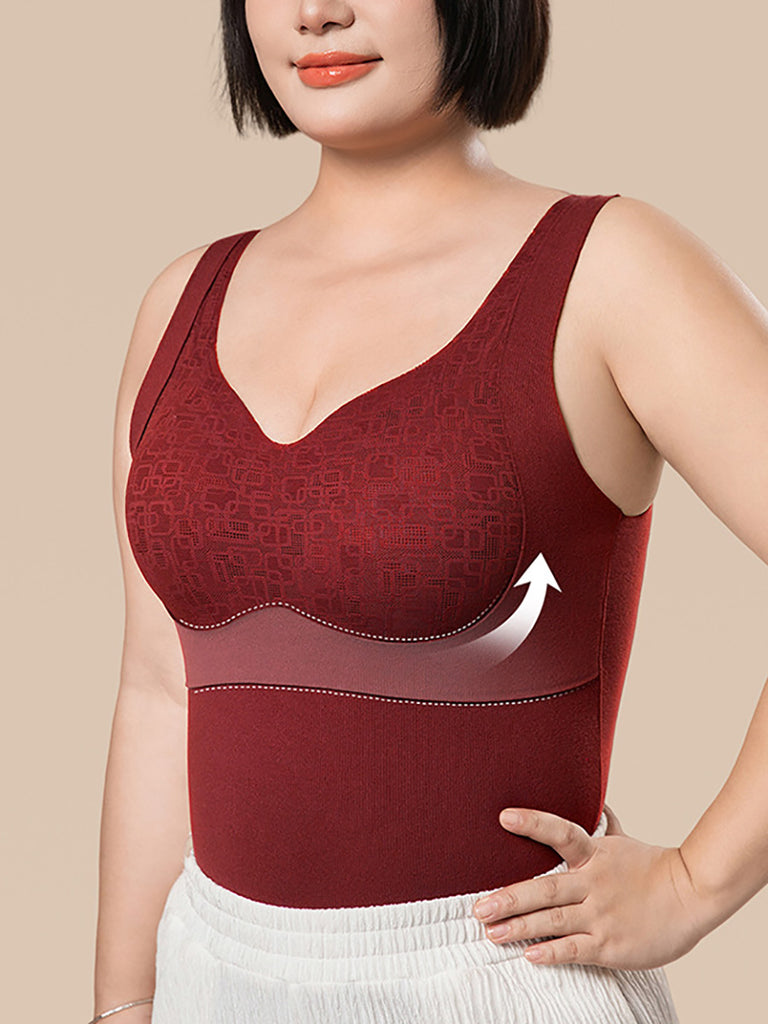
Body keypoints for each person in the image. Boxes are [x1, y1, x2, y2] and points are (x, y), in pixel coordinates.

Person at [91, 1, 768, 1022]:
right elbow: (158, 690)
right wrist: (124, 1004)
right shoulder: (179, 303)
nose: (319, 11)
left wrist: (693, 885)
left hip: (496, 977)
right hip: (208, 969)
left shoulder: (607, 268)